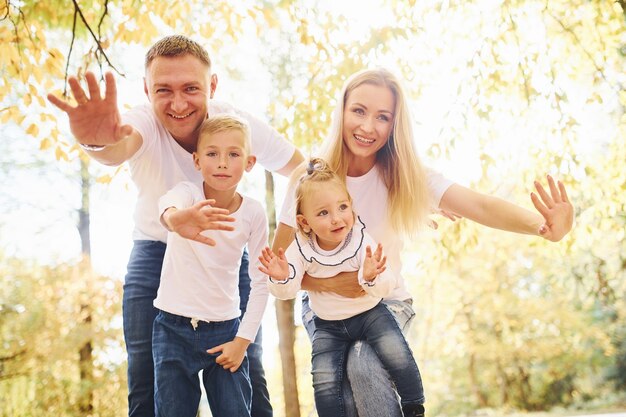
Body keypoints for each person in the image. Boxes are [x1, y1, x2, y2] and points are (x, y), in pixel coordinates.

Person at [272, 68, 574, 417]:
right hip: (326, 311)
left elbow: (478, 204)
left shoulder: (408, 177)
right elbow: (280, 267)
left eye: (382, 117)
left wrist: (544, 227)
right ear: (341, 111)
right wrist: (334, 283)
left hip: (385, 302)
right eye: (358, 111)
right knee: (343, 396)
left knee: (362, 364)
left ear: (394, 125)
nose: (368, 127)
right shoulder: (307, 178)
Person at [47, 35, 304, 417]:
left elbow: (303, 170)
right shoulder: (143, 120)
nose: (178, 103)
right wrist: (95, 142)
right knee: (147, 381)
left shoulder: (236, 125)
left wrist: (280, 242)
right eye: (163, 90)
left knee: (247, 377)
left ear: (212, 87)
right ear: (147, 89)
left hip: (224, 263)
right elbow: (118, 145)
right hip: (156, 254)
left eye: (191, 88)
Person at [259, 157, 426, 417]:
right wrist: (281, 277)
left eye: (342, 207)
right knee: (324, 379)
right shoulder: (301, 248)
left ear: (352, 208)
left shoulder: (359, 239)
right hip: (328, 325)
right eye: (323, 213)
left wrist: (371, 277)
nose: (337, 219)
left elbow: (385, 286)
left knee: (394, 349)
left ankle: (414, 404)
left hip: (369, 314)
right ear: (304, 223)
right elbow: (287, 290)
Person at [154, 115, 267, 417]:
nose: (222, 163)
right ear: (196, 160)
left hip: (225, 333)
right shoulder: (188, 195)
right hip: (172, 328)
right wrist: (176, 220)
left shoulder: (253, 213)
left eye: (233, 154)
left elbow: (261, 281)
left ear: (249, 162)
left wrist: (242, 342)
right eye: (212, 153)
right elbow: (168, 204)